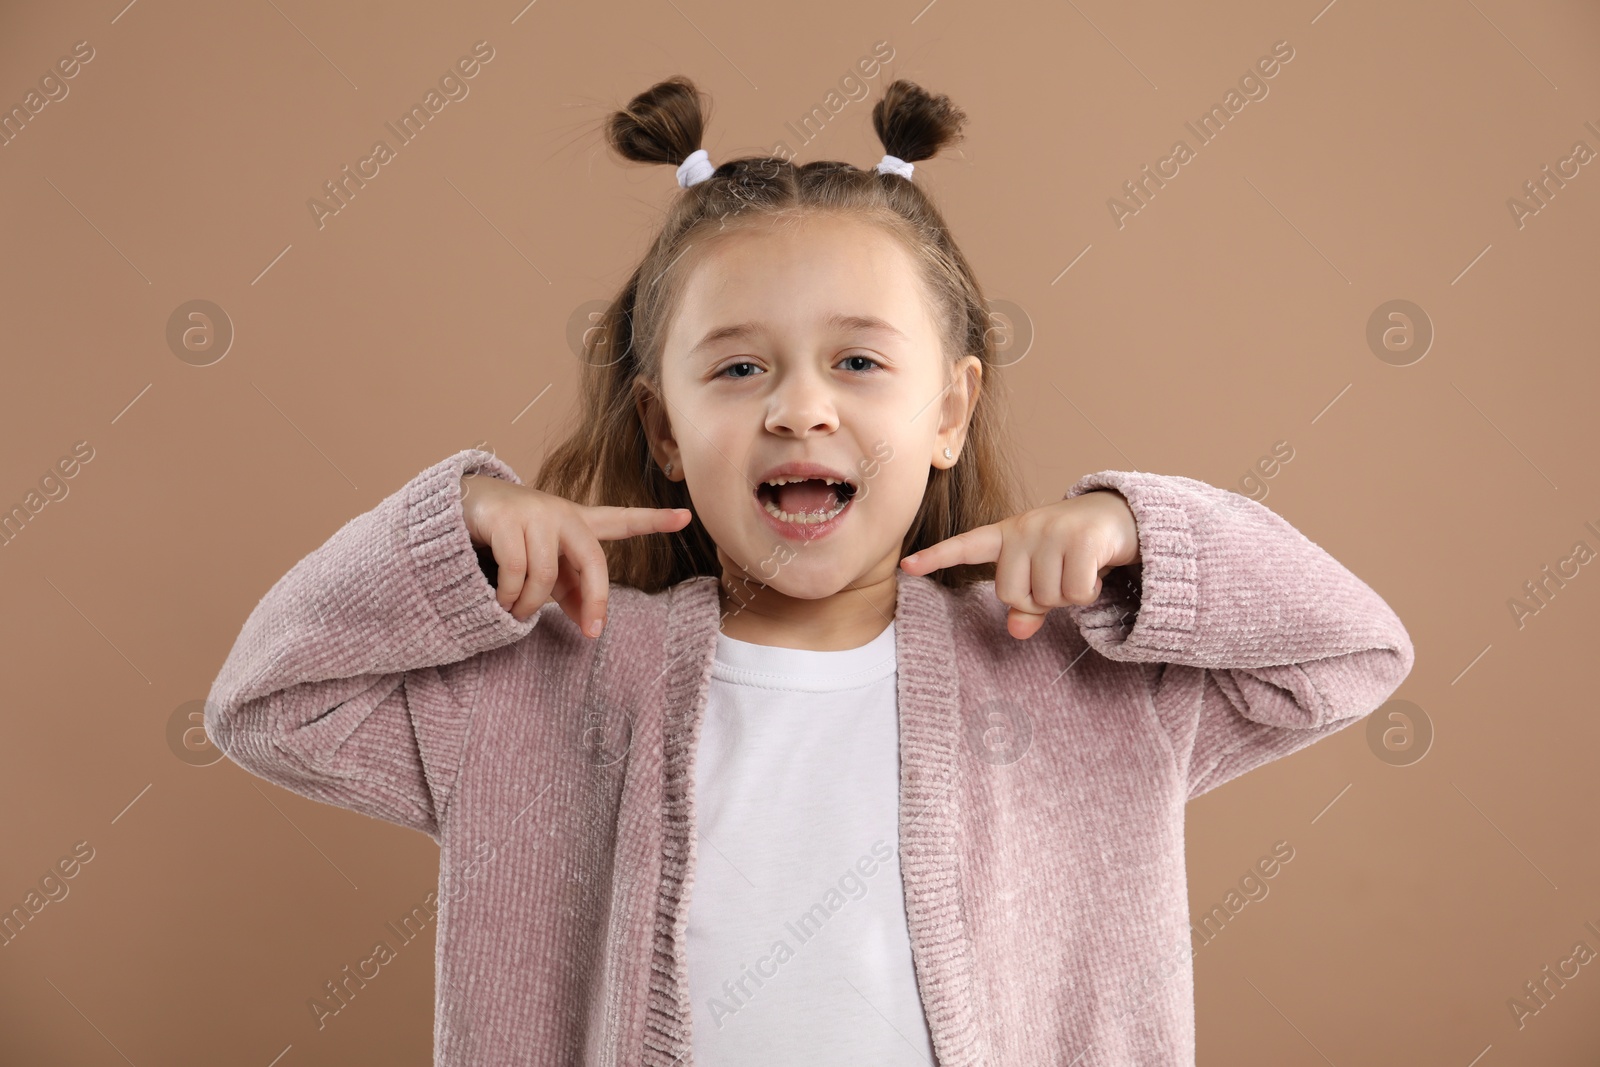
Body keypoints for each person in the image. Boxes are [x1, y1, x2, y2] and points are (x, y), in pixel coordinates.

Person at [205, 74, 1414, 1066]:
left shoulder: (1065, 672)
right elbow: (273, 701)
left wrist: (1145, 537)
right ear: (665, 427)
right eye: (736, 370)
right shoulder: (556, 684)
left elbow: (1350, 651)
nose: (798, 408)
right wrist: (447, 533)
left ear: (950, 410)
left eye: (857, 363)